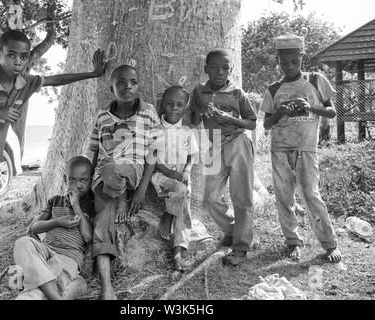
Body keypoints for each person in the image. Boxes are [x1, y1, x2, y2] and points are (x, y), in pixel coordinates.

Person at [0, 29, 107, 300]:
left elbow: (55, 80)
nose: (17, 61)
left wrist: (92, 74)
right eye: (11, 55)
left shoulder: (25, 83)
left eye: (23, 56)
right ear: (0, 54)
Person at [260, 34, 341, 262]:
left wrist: (310, 107)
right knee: (284, 197)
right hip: (280, 149)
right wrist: (280, 112)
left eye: (294, 62)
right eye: (283, 62)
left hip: (306, 148)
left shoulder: (315, 80)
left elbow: (332, 112)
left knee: (310, 194)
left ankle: (329, 243)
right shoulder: (274, 89)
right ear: (277, 61)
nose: (289, 66)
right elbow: (266, 124)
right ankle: (293, 241)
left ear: (302, 57)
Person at [86, 65, 163, 299]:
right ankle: (107, 288)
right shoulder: (102, 116)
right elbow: (92, 152)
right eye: (120, 82)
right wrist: (87, 186)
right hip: (103, 177)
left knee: (113, 169)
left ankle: (121, 197)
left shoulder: (148, 112)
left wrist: (140, 190)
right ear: (112, 88)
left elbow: (154, 152)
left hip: (132, 171)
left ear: (139, 87)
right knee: (101, 225)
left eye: (132, 82)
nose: (127, 86)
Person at [190, 49, 257, 267]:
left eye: (225, 68)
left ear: (231, 70)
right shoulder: (199, 91)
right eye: (214, 67)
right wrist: (200, 110)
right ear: (206, 69)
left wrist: (229, 118)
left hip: (238, 143)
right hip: (214, 145)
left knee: (242, 197)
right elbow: (191, 119)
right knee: (210, 198)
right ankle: (231, 230)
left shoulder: (237, 93)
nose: (220, 72)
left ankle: (240, 247)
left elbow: (252, 122)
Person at [13, 156, 94, 300]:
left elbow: (88, 237)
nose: (78, 185)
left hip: (67, 258)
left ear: (91, 180)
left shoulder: (91, 205)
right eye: (72, 180)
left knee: (34, 293)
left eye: (83, 180)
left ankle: (41, 294)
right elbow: (34, 228)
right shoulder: (55, 200)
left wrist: (76, 206)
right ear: (65, 179)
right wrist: (56, 222)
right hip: (45, 252)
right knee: (22, 243)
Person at [151, 86, 199, 271]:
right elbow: (151, 159)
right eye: (169, 104)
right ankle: (170, 219)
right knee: (180, 191)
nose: (174, 108)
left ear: (185, 107)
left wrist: (187, 170)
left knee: (182, 194)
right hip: (161, 177)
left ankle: (178, 246)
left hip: (181, 177)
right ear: (162, 105)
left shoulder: (187, 130)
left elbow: (192, 156)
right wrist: (168, 172)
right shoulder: (156, 129)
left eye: (179, 105)